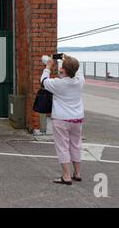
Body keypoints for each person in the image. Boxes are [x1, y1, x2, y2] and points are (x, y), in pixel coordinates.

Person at [41, 54, 85, 185]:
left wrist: (48, 67)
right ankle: (77, 173)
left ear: (63, 69)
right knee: (76, 145)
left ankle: (66, 176)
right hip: (77, 119)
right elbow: (79, 69)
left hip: (61, 119)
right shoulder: (80, 81)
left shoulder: (58, 84)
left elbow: (43, 80)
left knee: (63, 147)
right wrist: (68, 58)